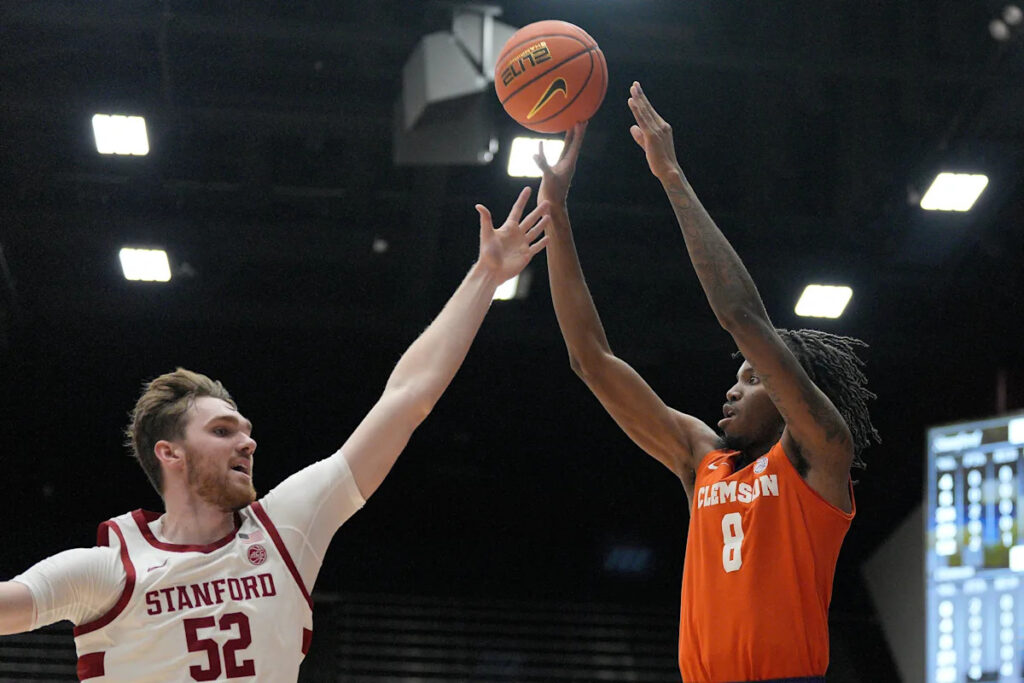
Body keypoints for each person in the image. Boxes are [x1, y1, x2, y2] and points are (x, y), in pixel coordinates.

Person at [0, 187, 551, 682]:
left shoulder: (287, 526)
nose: (248, 442)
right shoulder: (105, 569)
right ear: (170, 453)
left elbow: (408, 398)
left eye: (246, 430)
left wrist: (486, 275)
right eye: (222, 430)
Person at [536, 84, 879, 683]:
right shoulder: (703, 461)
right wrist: (556, 216)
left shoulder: (822, 453)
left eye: (753, 377)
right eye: (736, 377)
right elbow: (591, 360)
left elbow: (741, 316)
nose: (733, 389)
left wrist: (671, 177)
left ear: (792, 391)